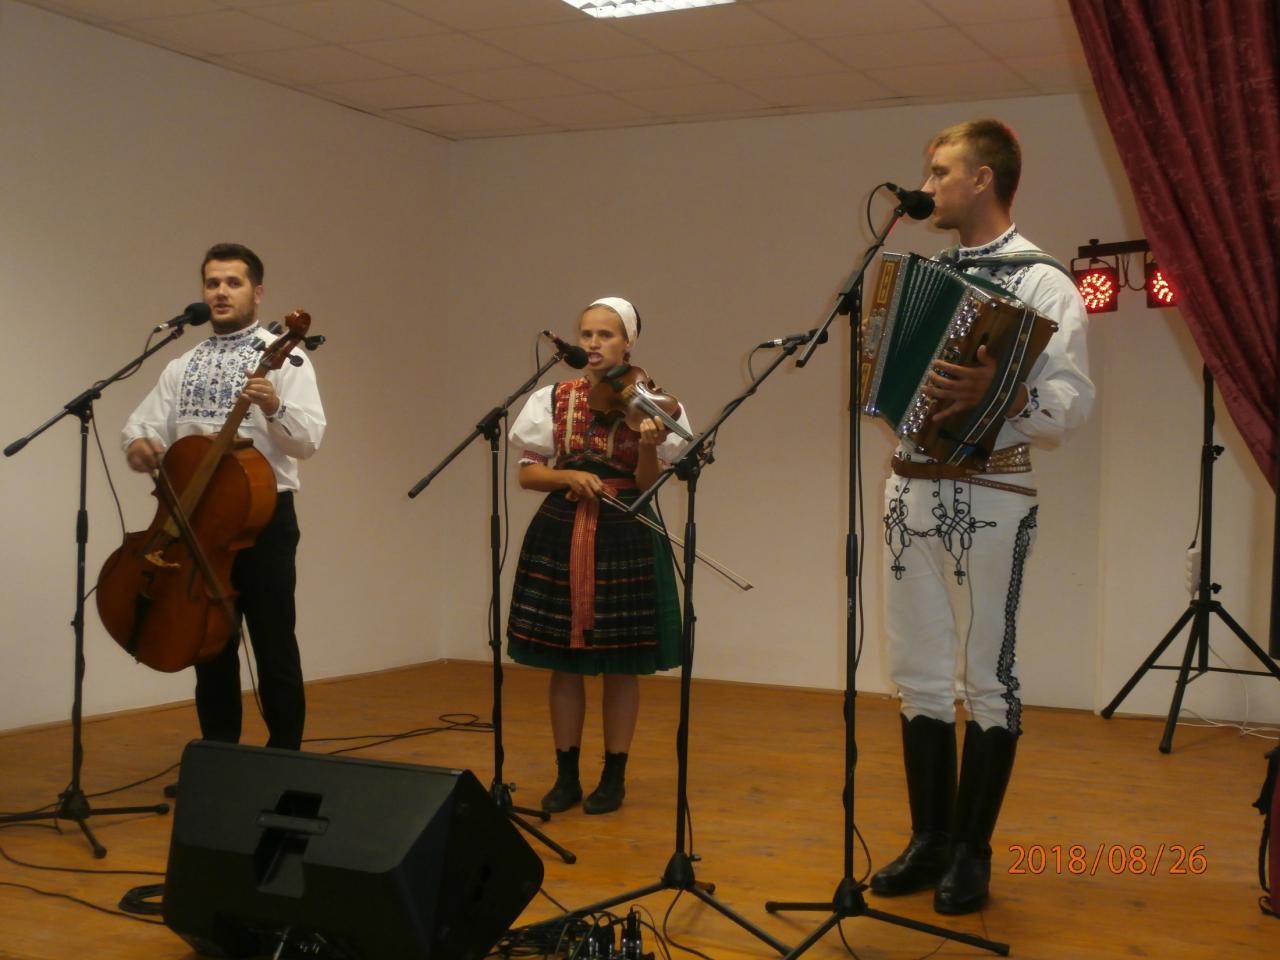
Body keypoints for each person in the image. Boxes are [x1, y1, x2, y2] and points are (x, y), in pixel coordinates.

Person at [868, 120, 1093, 914]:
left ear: (983, 179)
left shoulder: (1044, 282)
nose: (927, 184)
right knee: (918, 672)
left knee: (989, 674)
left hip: (995, 491)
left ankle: (972, 851)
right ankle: (929, 839)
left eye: (940, 171)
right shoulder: (928, 275)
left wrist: (1002, 393)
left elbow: (1068, 407)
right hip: (910, 489)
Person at [122, 243, 325, 753]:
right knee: (209, 641)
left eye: (233, 282)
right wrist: (140, 445)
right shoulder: (183, 364)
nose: (220, 292)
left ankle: (285, 757)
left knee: (273, 641)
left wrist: (275, 406)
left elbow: (308, 441)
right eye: (212, 283)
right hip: (199, 520)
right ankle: (218, 757)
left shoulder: (287, 356)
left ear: (257, 293)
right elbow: (142, 426)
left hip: (264, 518)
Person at [506, 297, 690, 815]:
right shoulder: (552, 398)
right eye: (587, 333)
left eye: (605, 335)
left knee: (620, 665)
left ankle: (614, 777)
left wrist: (648, 443)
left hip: (625, 529)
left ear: (627, 343)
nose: (592, 343)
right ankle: (566, 776)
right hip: (561, 527)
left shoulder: (652, 403)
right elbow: (528, 474)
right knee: (563, 664)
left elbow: (647, 484)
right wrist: (567, 475)